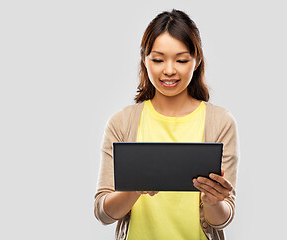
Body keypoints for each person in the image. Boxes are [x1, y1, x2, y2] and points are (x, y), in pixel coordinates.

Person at [94, 9, 239, 240]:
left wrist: (213, 202)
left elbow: (224, 216)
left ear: (197, 60)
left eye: (181, 60)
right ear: (144, 59)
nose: (169, 70)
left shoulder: (220, 122)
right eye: (158, 59)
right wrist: (135, 189)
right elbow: (103, 213)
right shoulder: (122, 123)